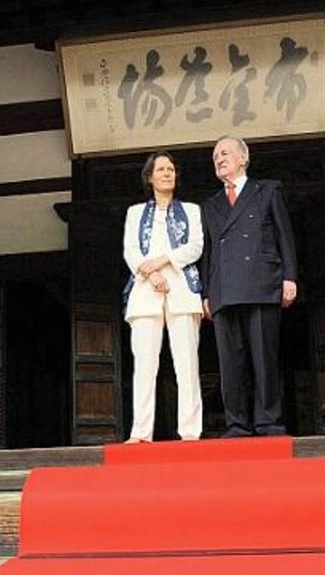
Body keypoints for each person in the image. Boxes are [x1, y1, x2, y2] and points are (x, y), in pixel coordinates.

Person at [201, 136, 297, 437]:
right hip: (223, 289)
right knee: (231, 363)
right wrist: (205, 292)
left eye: (225, 152)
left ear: (244, 158)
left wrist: (289, 277)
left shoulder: (267, 190)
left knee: (264, 357)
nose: (219, 158)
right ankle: (237, 423)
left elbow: (285, 236)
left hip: (262, 281)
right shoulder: (211, 205)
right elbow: (209, 251)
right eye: (215, 155)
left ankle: (269, 421)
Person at [123, 151, 203, 442]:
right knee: (144, 365)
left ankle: (190, 431)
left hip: (182, 289)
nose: (167, 173)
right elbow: (131, 251)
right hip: (145, 292)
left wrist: (161, 262)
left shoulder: (192, 210)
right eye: (161, 169)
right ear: (150, 177)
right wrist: (151, 274)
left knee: (187, 364)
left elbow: (195, 247)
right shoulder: (134, 213)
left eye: (171, 169)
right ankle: (141, 431)